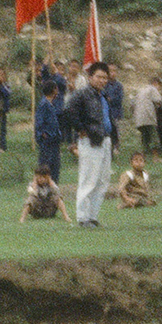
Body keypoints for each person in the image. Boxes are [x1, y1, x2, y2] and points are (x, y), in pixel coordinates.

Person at [63, 61, 117, 226]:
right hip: (90, 140)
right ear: (90, 77)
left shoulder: (103, 96)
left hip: (105, 138)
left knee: (102, 180)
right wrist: (80, 128)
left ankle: (93, 216)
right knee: (89, 179)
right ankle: (83, 217)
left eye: (105, 77)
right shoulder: (82, 94)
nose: (102, 80)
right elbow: (68, 110)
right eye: (99, 77)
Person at [34, 78, 65, 182]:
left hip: (54, 139)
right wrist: (43, 134)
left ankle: (53, 185)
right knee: (46, 165)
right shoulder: (44, 104)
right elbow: (39, 121)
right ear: (53, 90)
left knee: (55, 165)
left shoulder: (51, 104)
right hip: (47, 140)